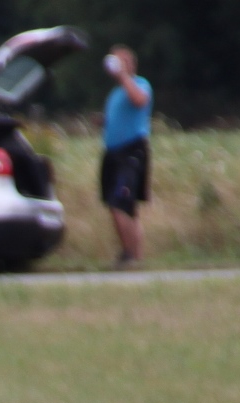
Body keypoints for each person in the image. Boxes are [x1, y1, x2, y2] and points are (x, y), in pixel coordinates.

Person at [100, 46, 154, 269]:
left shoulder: (140, 84)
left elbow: (140, 100)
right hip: (113, 153)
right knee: (121, 206)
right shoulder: (116, 93)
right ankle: (133, 256)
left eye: (121, 61)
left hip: (131, 151)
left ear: (130, 64)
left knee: (120, 202)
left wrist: (124, 75)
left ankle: (131, 255)